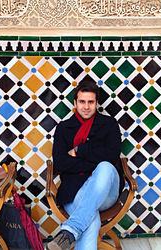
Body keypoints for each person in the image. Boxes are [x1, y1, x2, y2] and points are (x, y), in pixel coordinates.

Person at [46, 81, 124, 250]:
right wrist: (93, 160)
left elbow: (112, 156)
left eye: (91, 102)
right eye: (82, 102)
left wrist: (79, 150)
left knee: (105, 167)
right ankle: (70, 232)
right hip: (74, 191)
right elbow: (60, 162)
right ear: (75, 103)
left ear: (97, 103)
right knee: (90, 220)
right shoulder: (63, 128)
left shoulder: (109, 124)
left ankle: (70, 229)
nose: (86, 107)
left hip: (107, 192)